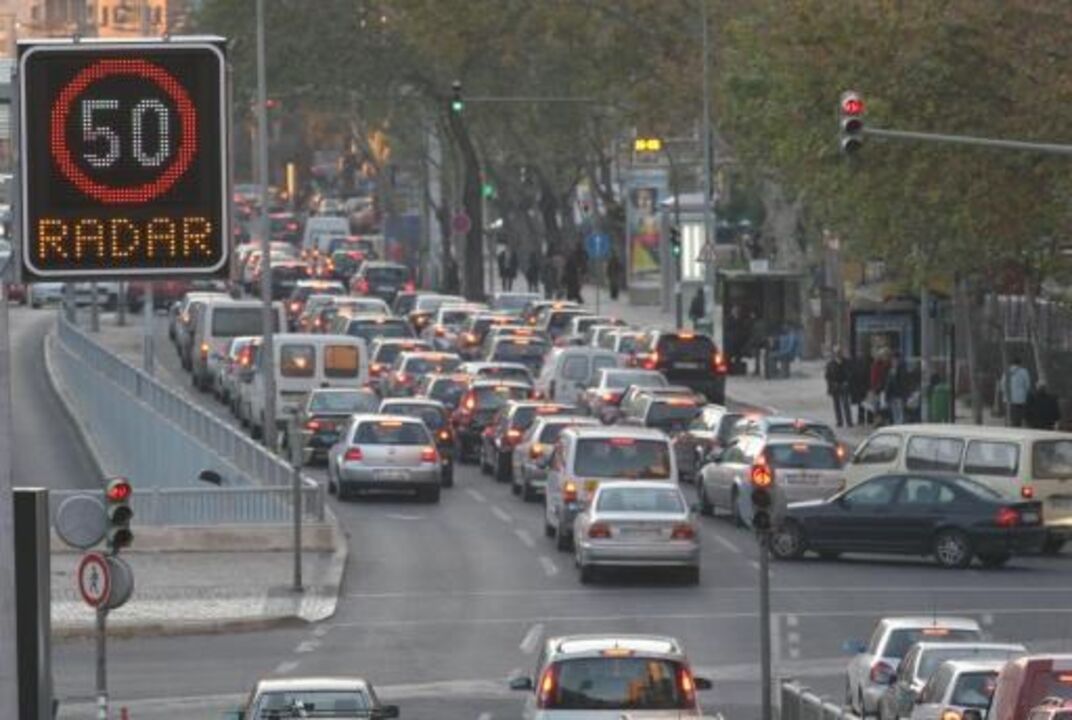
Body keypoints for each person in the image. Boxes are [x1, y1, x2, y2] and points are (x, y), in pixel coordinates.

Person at [825, 346, 853, 428]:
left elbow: (850, 373)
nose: (838, 354)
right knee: (836, 405)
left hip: (844, 385)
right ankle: (839, 421)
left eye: (839, 352)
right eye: (836, 352)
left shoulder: (847, 362)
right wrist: (832, 383)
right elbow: (827, 376)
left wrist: (847, 382)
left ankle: (849, 421)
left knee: (846, 404)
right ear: (834, 354)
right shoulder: (830, 364)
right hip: (835, 386)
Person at [1004, 356, 1032, 427]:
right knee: (1019, 416)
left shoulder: (1007, 371)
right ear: (1020, 363)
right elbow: (1027, 385)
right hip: (1020, 399)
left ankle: (1010, 426)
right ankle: (1018, 426)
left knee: (1010, 415)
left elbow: (1003, 384)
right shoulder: (1024, 371)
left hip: (1008, 399)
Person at [884, 352, 907, 425]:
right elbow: (888, 384)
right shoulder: (891, 370)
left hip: (899, 396)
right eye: (892, 360)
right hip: (892, 396)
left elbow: (901, 383)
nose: (893, 362)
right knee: (895, 415)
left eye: (895, 360)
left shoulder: (901, 370)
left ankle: (899, 427)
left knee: (900, 415)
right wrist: (886, 395)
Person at [850, 353, 872, 425]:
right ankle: (868, 419)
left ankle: (862, 419)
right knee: (867, 405)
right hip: (864, 388)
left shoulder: (856, 367)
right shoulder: (868, 367)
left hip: (860, 389)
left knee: (862, 405)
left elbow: (853, 379)